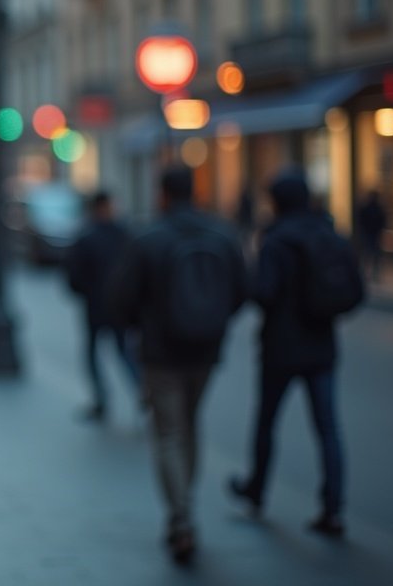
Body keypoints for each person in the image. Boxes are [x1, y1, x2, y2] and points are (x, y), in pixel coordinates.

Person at [109, 165, 247, 565]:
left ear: (163, 193)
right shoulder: (223, 235)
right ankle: (185, 506)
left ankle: (181, 517)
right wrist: (213, 322)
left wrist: (140, 327)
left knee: (169, 431)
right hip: (206, 350)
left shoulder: (149, 238)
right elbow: (242, 290)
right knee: (190, 424)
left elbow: (121, 299)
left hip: (161, 352)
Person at [228, 170, 357, 538]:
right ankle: (333, 507)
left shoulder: (276, 240)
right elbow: (355, 289)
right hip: (321, 346)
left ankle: (257, 490)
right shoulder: (328, 234)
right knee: (328, 428)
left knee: (267, 422)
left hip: (281, 348)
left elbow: (264, 293)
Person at [64, 190, 139, 423]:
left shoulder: (87, 236)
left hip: (96, 306)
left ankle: (102, 400)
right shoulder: (124, 235)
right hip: (118, 307)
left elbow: (73, 276)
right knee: (123, 353)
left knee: (96, 354)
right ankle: (142, 396)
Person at [356, 190, 387, 281]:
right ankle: (371, 273)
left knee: (369, 254)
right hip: (372, 234)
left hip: (371, 234)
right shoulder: (376, 208)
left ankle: (369, 273)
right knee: (370, 255)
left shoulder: (373, 208)